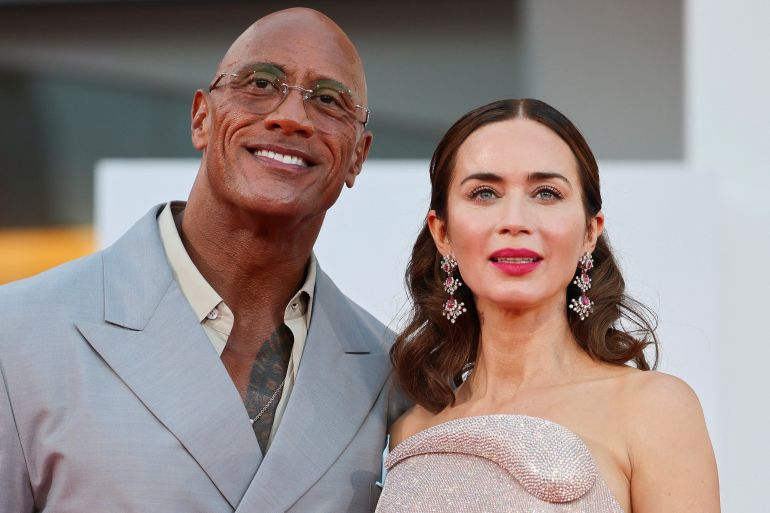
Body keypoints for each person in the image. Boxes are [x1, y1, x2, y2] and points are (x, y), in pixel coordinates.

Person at [0, 8, 406, 513]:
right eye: (260, 83)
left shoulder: (393, 375)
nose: (291, 117)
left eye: (328, 101)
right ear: (201, 117)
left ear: (357, 157)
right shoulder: (17, 334)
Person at [377, 99, 720, 512]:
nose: (516, 220)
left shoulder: (655, 409)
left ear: (590, 232)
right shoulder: (410, 431)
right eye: (484, 193)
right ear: (443, 231)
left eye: (547, 193)